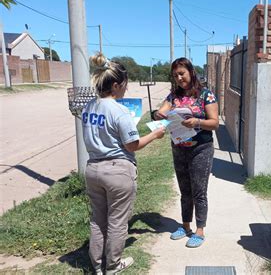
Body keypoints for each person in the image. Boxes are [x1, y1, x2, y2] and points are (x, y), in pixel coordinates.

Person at [82, 53, 165, 274]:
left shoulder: (89, 108)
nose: (126, 90)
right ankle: (113, 265)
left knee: (98, 219)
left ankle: (97, 265)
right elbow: (132, 145)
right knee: (118, 221)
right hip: (117, 171)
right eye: (125, 85)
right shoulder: (120, 111)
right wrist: (155, 135)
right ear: (116, 85)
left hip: (92, 169)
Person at [151, 57, 218, 248]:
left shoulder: (206, 95)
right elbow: (160, 113)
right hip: (179, 148)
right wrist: (158, 115)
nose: (179, 78)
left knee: (199, 191)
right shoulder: (173, 96)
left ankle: (200, 230)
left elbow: (214, 123)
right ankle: (185, 226)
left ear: (191, 72)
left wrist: (197, 122)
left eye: (182, 73)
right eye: (175, 75)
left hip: (201, 149)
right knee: (184, 190)